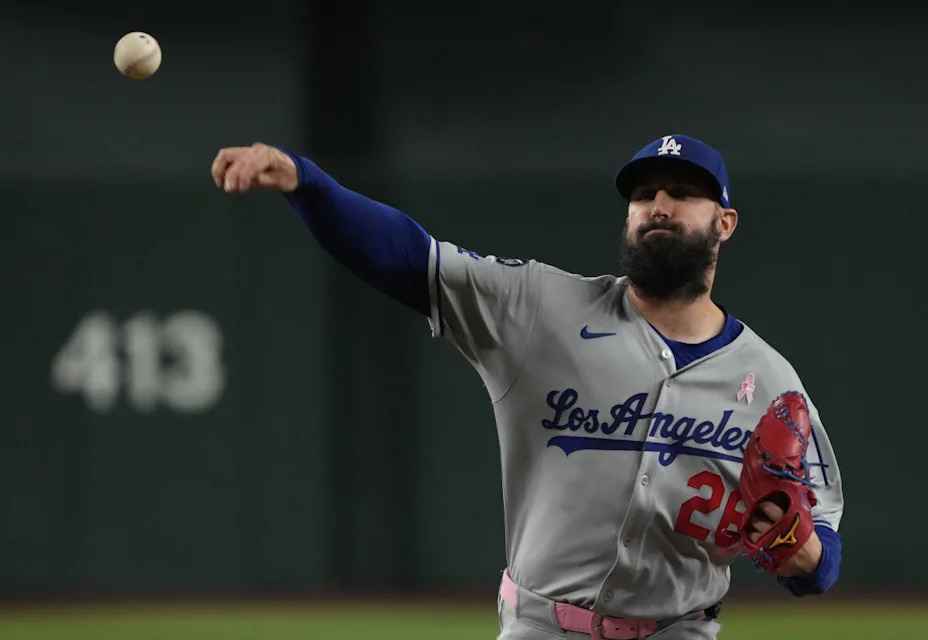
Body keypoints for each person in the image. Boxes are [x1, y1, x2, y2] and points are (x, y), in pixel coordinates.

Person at [210, 134, 843, 640]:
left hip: (681, 629)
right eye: (644, 192)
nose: (658, 204)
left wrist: (803, 552)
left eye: (683, 193)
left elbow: (819, 560)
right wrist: (306, 182)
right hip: (543, 627)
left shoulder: (770, 383)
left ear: (725, 223)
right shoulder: (544, 308)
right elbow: (410, 258)